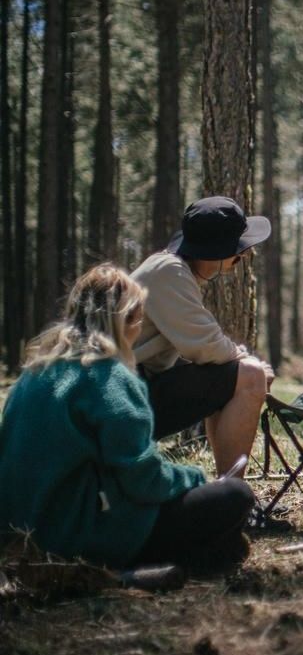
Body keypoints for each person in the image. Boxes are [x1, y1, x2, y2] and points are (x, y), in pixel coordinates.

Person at [0, 265, 254, 574]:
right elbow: (142, 480)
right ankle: (148, 569)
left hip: (24, 536)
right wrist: (197, 479)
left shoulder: (33, 374)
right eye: (139, 317)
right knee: (235, 496)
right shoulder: (109, 376)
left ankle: (186, 562)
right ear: (127, 320)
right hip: (81, 539)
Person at [131, 196, 274, 477]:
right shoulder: (170, 273)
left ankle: (227, 493)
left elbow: (204, 349)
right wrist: (252, 364)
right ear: (218, 252)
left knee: (233, 374)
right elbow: (208, 347)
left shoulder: (169, 268)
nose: (241, 257)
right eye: (238, 250)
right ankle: (233, 496)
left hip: (128, 389)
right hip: (120, 399)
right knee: (249, 376)